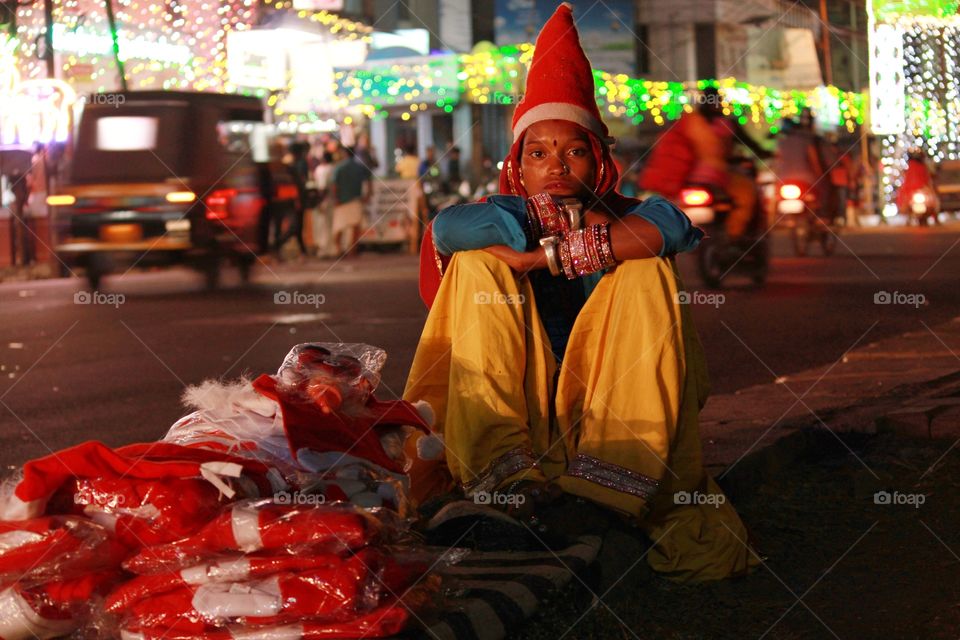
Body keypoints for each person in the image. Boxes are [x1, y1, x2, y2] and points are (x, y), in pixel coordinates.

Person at [403, 4, 757, 583]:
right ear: (517, 167)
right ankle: (503, 481)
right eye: (537, 153)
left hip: (609, 421)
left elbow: (672, 226)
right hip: (526, 413)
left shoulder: (627, 215)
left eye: (573, 150)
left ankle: (607, 491)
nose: (555, 166)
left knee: (647, 269)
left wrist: (562, 251)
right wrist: (528, 240)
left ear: (599, 159)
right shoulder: (501, 214)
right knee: (474, 268)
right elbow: (445, 230)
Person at [328, 147, 371, 257]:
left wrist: (335, 198)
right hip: (356, 199)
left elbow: (334, 185)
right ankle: (353, 250)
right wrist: (368, 195)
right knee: (355, 226)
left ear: (344, 154)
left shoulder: (339, 167)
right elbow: (369, 180)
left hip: (342, 201)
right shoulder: (360, 167)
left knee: (338, 226)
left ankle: (338, 249)